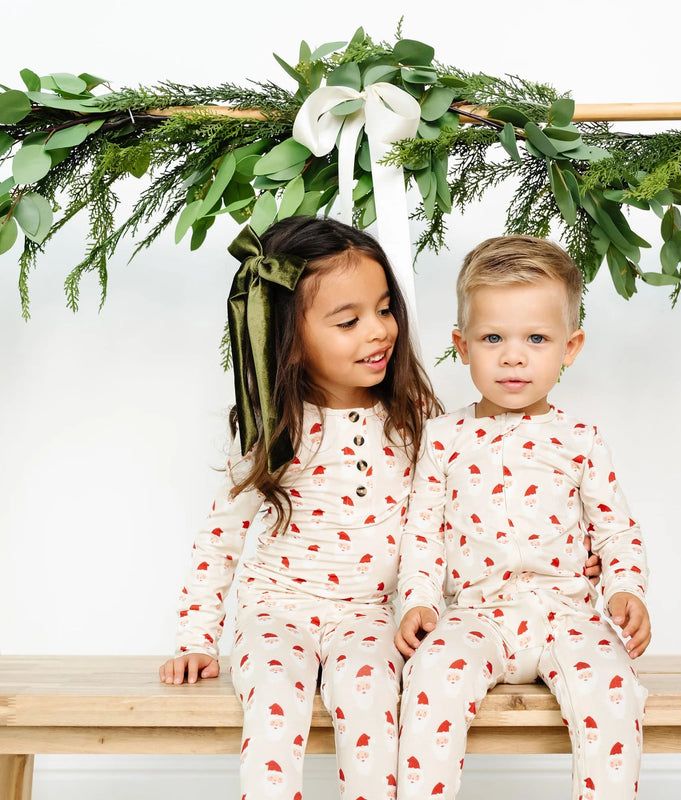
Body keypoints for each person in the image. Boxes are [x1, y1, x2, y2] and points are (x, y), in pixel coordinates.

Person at [159, 216, 442, 800]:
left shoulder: (410, 417)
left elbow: (446, 517)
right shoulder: (276, 427)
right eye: (348, 321)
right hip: (275, 612)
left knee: (372, 720)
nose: (379, 331)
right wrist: (195, 640)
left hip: (369, 617)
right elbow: (221, 539)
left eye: (385, 310)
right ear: (288, 336)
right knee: (273, 720)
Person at [394, 235, 650, 800]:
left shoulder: (579, 439)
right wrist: (418, 600)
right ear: (462, 346)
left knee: (613, 693)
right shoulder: (443, 438)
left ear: (570, 346)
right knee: (430, 679)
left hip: (569, 613)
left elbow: (615, 528)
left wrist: (626, 588)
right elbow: (422, 534)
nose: (514, 356)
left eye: (536, 338)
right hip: (477, 614)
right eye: (493, 338)